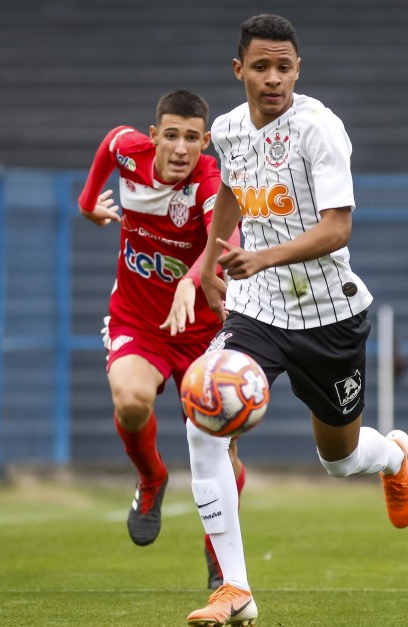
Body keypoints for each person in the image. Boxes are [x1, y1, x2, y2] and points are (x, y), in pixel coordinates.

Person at [184, 14, 408, 625]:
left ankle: (394, 457)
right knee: (202, 418)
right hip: (257, 306)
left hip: (329, 313)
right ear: (239, 70)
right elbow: (233, 191)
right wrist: (212, 260)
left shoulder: (321, 130)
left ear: (297, 69)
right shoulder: (229, 130)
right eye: (260, 66)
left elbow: (338, 227)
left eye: (283, 67)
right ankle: (234, 590)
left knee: (338, 460)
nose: (272, 78)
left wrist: (257, 254)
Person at [77, 89, 243, 590]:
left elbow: (227, 238)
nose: (180, 148)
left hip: (206, 331)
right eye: (170, 135)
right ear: (154, 137)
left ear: (205, 142)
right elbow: (110, 142)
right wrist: (88, 205)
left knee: (218, 448)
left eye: (192, 138)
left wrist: (191, 281)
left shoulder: (210, 180)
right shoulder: (132, 152)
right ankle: (151, 479)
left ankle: (220, 562)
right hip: (138, 321)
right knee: (130, 400)